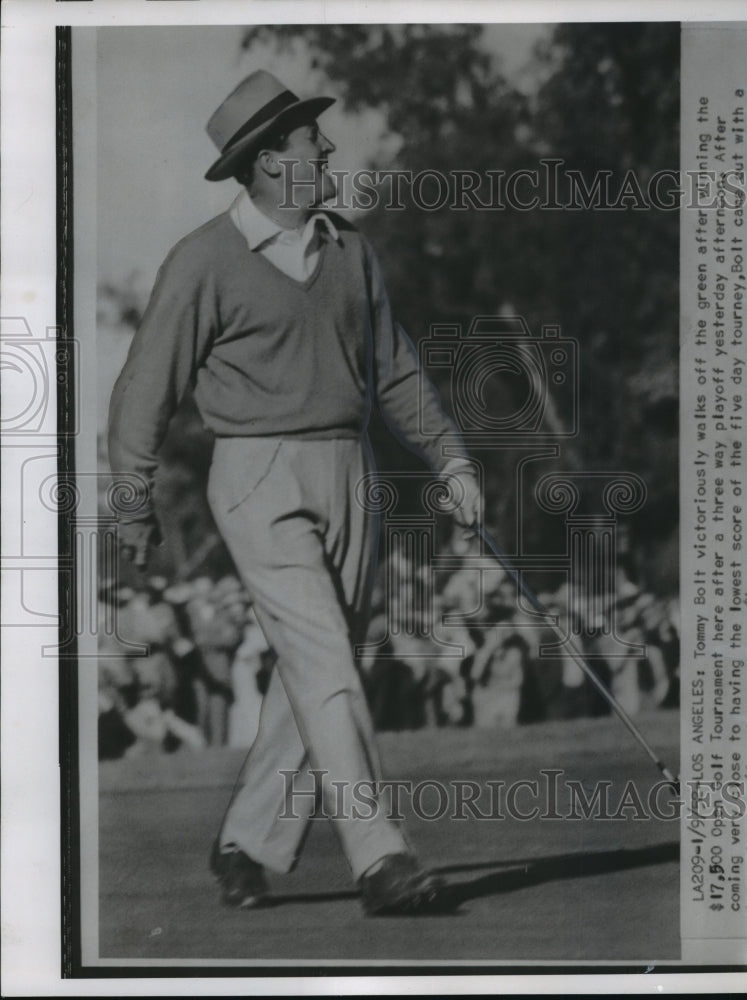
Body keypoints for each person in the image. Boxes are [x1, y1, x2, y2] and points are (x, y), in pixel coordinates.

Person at [108, 70, 480, 916]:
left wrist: (451, 460)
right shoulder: (201, 261)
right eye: (314, 139)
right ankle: (379, 855)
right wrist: (132, 503)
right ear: (272, 161)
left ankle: (245, 838)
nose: (328, 148)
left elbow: (395, 369)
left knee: (313, 674)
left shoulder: (351, 249)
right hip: (255, 474)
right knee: (324, 662)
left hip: (351, 470)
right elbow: (141, 391)